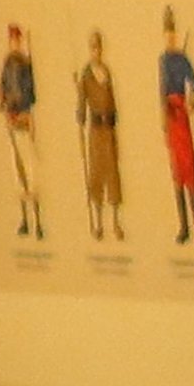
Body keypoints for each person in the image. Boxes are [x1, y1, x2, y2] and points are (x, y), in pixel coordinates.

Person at [160, 11, 194, 246]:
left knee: (190, 168)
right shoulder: (163, 59)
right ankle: (184, 227)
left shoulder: (182, 59)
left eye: (172, 35)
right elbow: (161, 91)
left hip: (181, 116)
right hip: (170, 119)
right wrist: (163, 119)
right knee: (177, 172)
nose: (170, 39)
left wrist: (192, 101)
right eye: (166, 35)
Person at [0, 22, 47, 240]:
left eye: (17, 40)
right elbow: (2, 92)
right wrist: (2, 100)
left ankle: (37, 222)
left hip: (24, 121)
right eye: (12, 40)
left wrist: (20, 108)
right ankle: (25, 220)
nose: (15, 44)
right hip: (12, 121)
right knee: (18, 172)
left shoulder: (26, 65)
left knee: (31, 170)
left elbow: (31, 95)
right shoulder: (7, 65)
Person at [77, 31, 126, 239]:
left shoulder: (106, 71)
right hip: (96, 131)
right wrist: (80, 118)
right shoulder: (86, 75)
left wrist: (115, 121)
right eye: (93, 47)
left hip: (109, 129)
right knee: (96, 175)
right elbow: (81, 104)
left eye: (98, 47)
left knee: (112, 174)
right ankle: (98, 225)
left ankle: (115, 224)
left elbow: (112, 99)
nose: (96, 51)